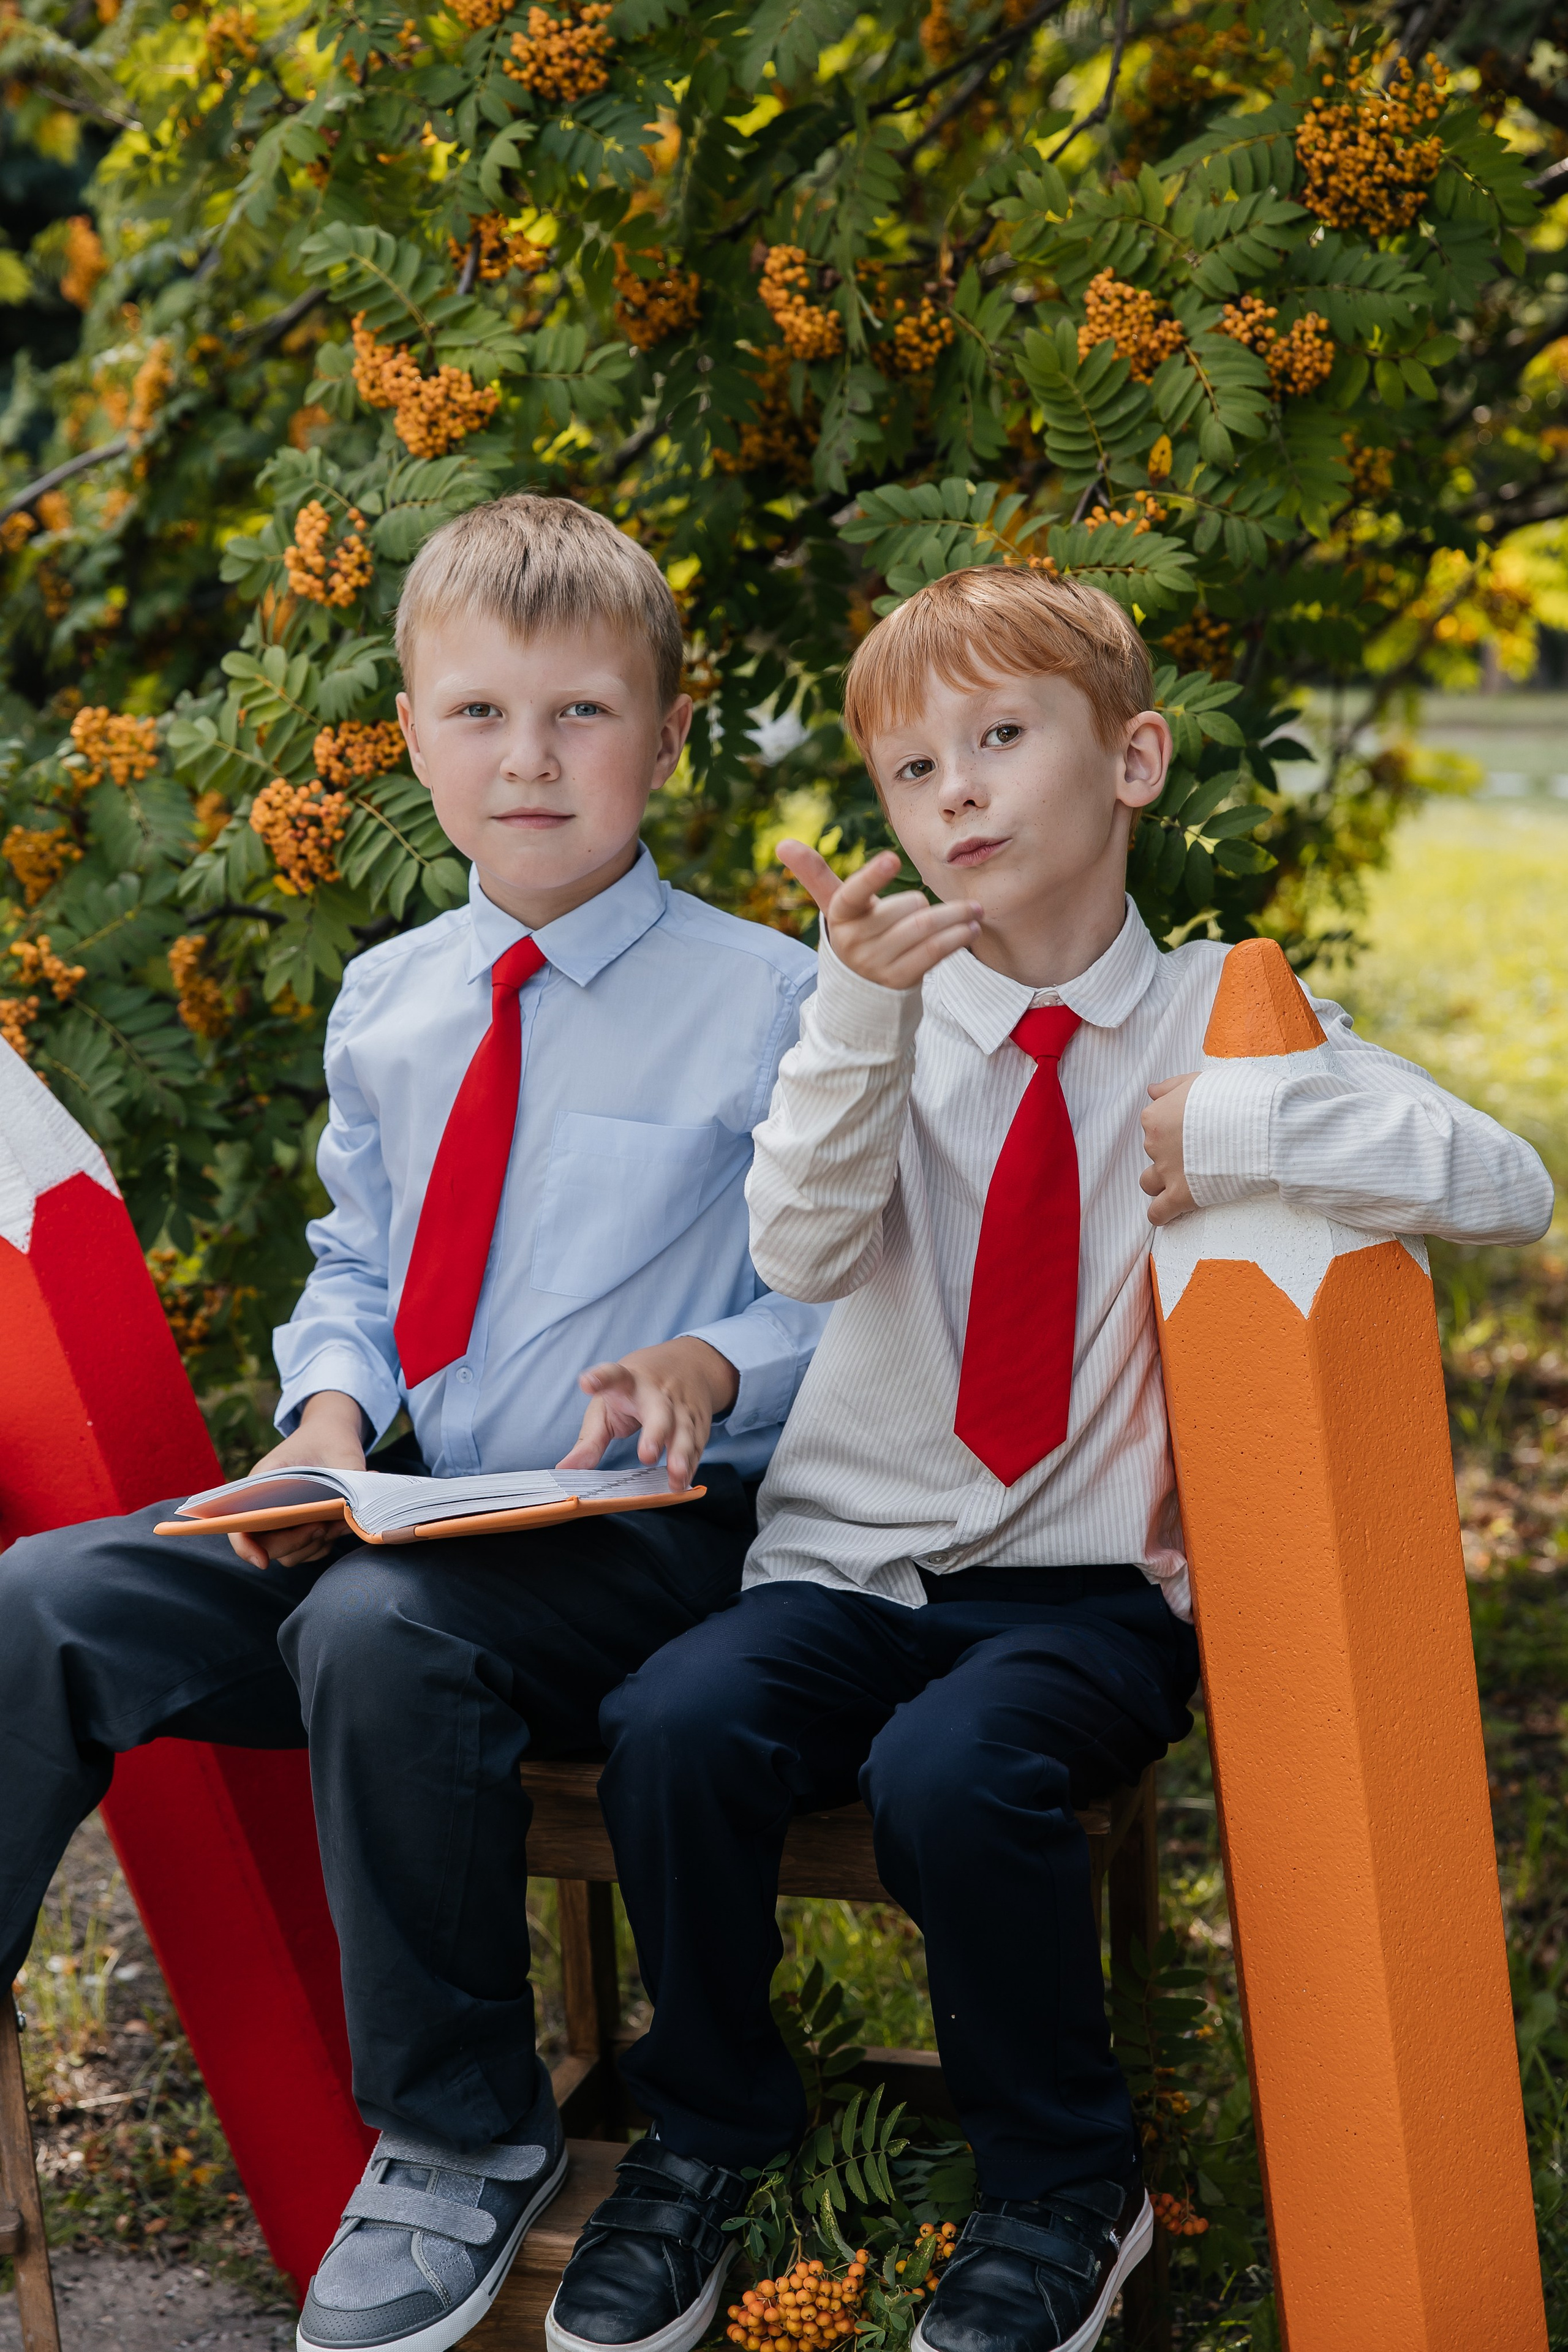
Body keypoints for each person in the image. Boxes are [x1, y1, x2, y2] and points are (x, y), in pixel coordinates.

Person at [548, 566, 1556, 2352]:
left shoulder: (1213, 1029)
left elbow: (1506, 1181)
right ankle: (709, 2135)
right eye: (914, 771)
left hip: (1090, 1601)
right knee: (676, 1723)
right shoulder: (871, 1024)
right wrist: (860, 1019)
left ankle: (1059, 2190)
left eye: (1001, 740)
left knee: (954, 1772)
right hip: (854, 1570)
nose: (959, 794)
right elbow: (794, 1245)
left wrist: (1230, 1118)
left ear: (1135, 760)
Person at [0, 494, 827, 2352]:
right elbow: (358, 1261)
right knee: (44, 1599)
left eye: (582, 716)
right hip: (405, 1505)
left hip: (648, 1543)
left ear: (671, 733)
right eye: (478, 716)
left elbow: (842, 1306)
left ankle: (460, 2136)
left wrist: (713, 1364)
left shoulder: (776, 1005)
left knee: (380, 1632)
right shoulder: (391, 1000)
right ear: (406, 732)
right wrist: (319, 1426)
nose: (527, 761)